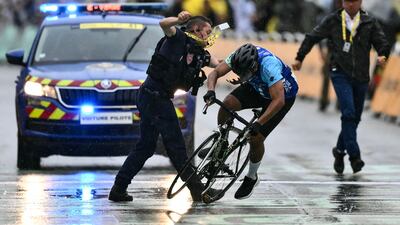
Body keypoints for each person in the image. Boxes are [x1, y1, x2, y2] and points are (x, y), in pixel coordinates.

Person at [109, 11, 222, 202]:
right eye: (208, 31)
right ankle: (199, 191)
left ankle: (118, 188)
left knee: (146, 147)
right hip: (154, 97)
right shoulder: (177, 38)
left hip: (154, 98)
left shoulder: (199, 53)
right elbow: (163, 24)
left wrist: (241, 65)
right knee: (177, 147)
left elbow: (219, 64)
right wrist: (179, 20)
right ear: (196, 30)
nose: (210, 36)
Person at [292, 0, 390, 174]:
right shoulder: (333, 20)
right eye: (347, 1)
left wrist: (383, 54)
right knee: (348, 113)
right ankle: (354, 156)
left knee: (355, 119)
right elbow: (312, 37)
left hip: (361, 76)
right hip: (340, 73)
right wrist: (300, 57)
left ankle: (339, 151)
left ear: (360, 2)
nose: (350, 5)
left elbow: (381, 41)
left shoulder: (369, 21)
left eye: (354, 1)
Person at [203, 43, 298, 199]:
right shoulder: (236, 57)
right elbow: (214, 73)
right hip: (257, 87)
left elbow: (278, 101)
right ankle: (221, 144)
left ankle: (251, 177)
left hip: (280, 96)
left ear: (254, 65)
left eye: (245, 73)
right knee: (227, 104)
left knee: (256, 138)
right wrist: (211, 91)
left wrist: (259, 123)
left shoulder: (269, 66)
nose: (241, 75)